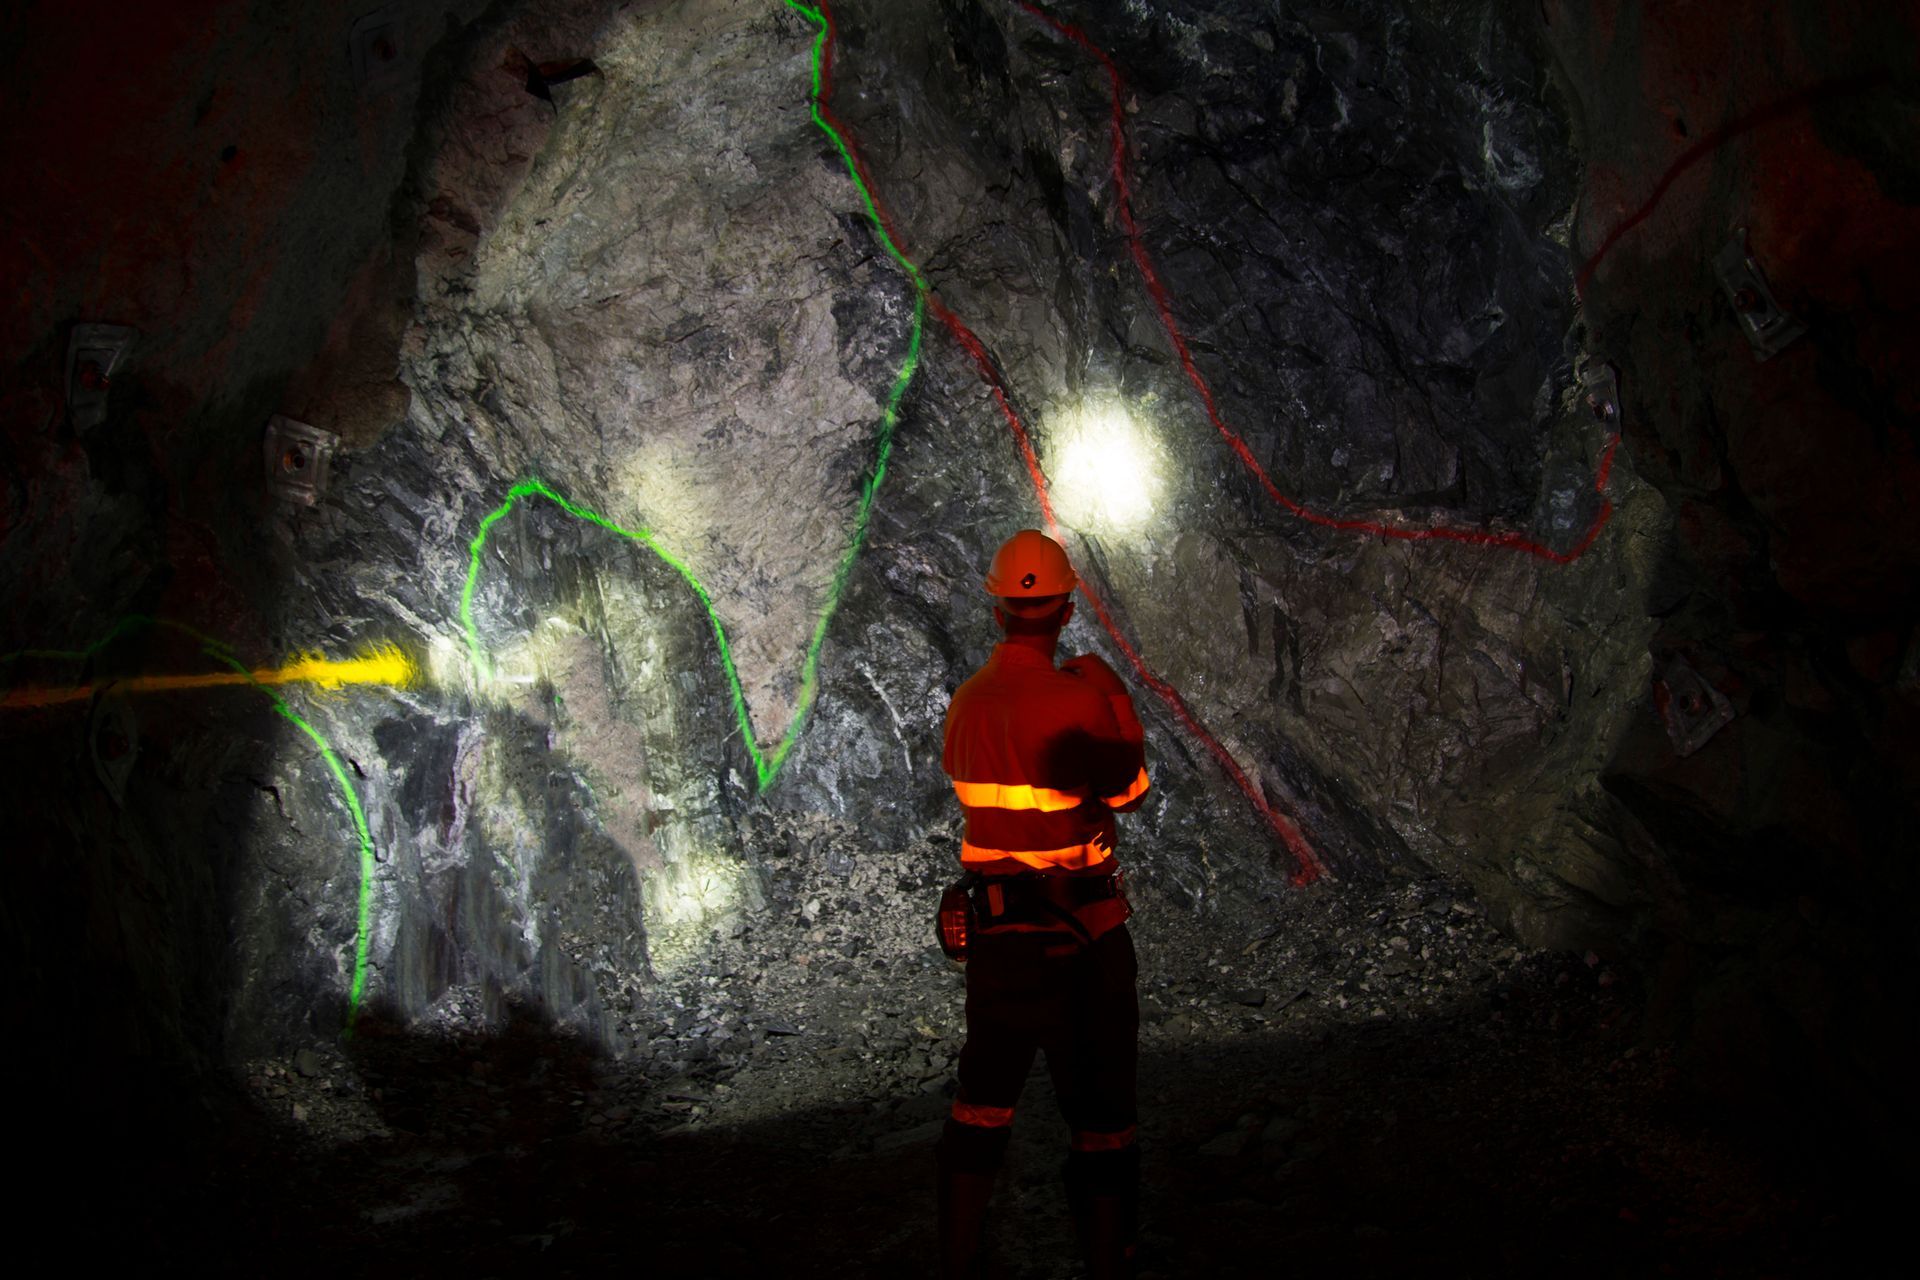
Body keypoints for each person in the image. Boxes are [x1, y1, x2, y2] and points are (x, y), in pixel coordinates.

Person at [936, 529, 1151, 1279]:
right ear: (1064, 613)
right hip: (1085, 941)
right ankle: (1106, 1260)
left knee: (982, 1102)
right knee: (1100, 1120)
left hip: (1000, 944)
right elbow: (1130, 791)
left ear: (999, 612)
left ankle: (958, 1256)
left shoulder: (964, 707)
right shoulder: (1079, 702)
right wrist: (1114, 695)